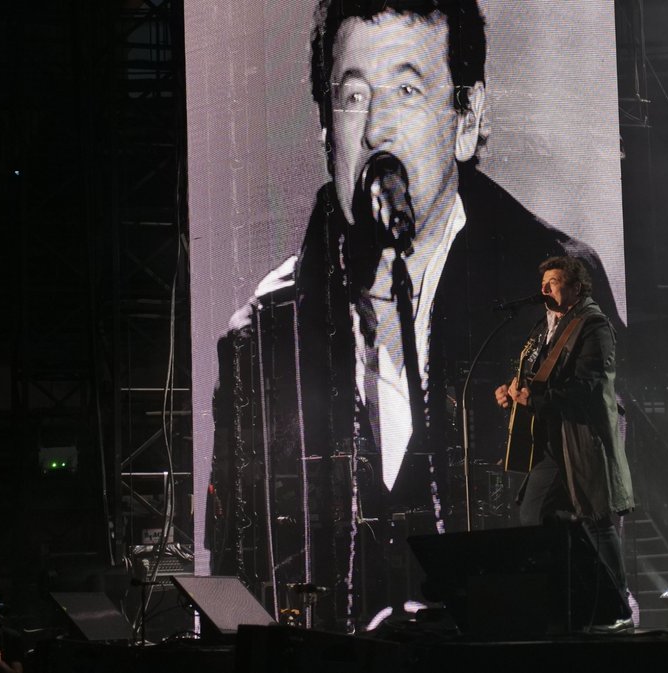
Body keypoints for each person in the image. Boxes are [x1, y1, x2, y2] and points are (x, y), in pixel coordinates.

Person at [206, 0, 622, 630]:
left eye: (405, 88)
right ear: (325, 131)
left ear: (466, 117)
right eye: (351, 97)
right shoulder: (264, 334)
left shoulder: (551, 296)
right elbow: (233, 574)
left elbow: (593, 527)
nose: (375, 128)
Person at [494, 256, 634, 633]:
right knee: (533, 513)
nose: (544, 290)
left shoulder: (595, 326)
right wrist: (512, 388)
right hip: (552, 441)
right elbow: (536, 373)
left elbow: (588, 384)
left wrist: (534, 399)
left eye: (553, 282)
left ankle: (619, 608)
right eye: (543, 282)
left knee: (597, 521)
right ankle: (566, 600)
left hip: (582, 436)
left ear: (575, 287)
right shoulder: (546, 326)